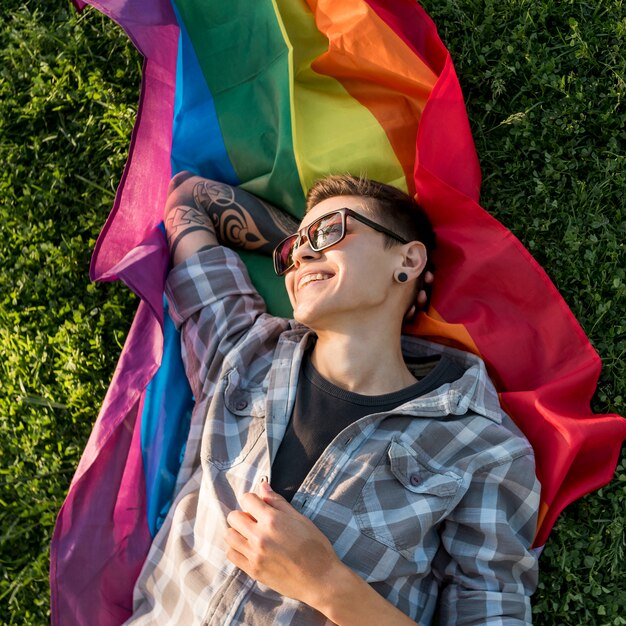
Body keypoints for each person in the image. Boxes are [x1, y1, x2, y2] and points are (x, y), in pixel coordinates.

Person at [125, 172, 540, 625]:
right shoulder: (241, 350)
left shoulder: (483, 448)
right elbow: (188, 197)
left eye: (330, 230)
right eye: (291, 252)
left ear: (409, 258)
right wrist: (320, 254)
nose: (298, 255)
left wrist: (325, 583)